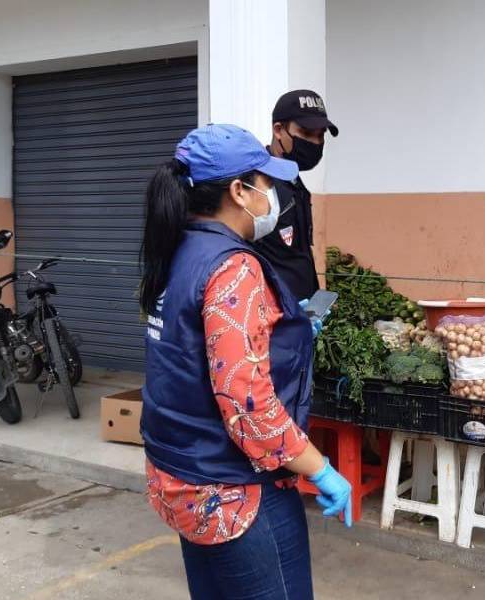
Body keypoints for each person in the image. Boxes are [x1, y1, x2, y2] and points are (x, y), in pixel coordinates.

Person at [139, 124, 352, 600]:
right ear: (240, 190)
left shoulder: (175, 250)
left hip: (179, 476)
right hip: (235, 491)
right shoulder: (233, 266)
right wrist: (318, 467)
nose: (273, 195)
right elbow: (247, 404)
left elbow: (187, 351)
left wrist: (284, 334)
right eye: (267, 183)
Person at [254, 89, 339, 301]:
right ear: (279, 130)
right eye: (306, 133)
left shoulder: (296, 183)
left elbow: (298, 256)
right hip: (274, 319)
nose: (315, 143)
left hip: (302, 315)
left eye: (320, 136)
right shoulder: (257, 185)